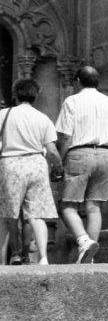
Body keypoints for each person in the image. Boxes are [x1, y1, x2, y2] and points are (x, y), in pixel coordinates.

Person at [55, 66, 108, 264]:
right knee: (94, 207)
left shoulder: (72, 101)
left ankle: (83, 240)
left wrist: (59, 162)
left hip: (79, 154)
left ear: (78, 80)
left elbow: (66, 137)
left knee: (67, 206)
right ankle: (89, 256)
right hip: (106, 156)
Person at [0, 78, 64, 266]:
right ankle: (43, 257)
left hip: (10, 164)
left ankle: (12, 256)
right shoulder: (43, 118)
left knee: (8, 214)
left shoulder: (4, 115)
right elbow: (51, 150)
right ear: (35, 96)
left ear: (15, 94)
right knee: (36, 214)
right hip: (36, 163)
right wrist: (58, 169)